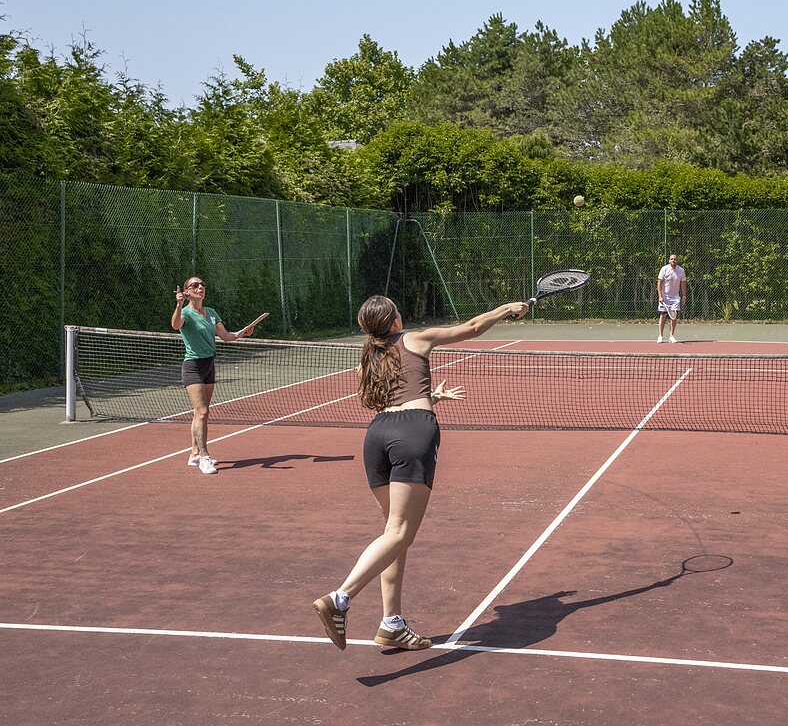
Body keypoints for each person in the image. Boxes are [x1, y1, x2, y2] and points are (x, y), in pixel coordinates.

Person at [312, 296, 528, 651]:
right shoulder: (415, 338)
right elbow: (471, 328)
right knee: (398, 532)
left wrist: (432, 397)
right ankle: (340, 598)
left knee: (394, 534)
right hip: (413, 432)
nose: (401, 312)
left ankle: (392, 623)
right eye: (398, 309)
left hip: (377, 435)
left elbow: (389, 399)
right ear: (394, 321)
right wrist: (507, 309)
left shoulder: (368, 358)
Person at [170, 276, 259, 475]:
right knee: (201, 411)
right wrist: (178, 304)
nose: (200, 287)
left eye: (202, 285)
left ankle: (194, 454)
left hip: (209, 364)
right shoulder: (185, 312)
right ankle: (204, 457)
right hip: (192, 366)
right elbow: (176, 325)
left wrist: (242, 333)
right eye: (195, 285)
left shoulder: (211, 313)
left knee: (201, 412)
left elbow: (226, 336)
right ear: (186, 291)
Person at [656, 254, 687, 344]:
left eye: (675, 259)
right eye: (671, 259)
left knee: (673, 316)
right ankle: (660, 336)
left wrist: (684, 296)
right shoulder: (664, 269)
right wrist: (660, 296)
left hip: (675, 297)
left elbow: (683, 283)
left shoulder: (681, 270)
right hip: (664, 297)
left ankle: (671, 336)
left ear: (677, 261)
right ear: (669, 260)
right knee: (663, 316)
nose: (673, 260)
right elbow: (659, 283)